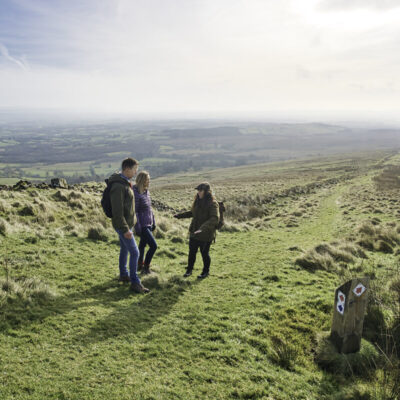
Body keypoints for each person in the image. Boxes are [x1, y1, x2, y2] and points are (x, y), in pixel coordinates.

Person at [108, 158, 150, 294]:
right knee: (135, 252)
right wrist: (126, 229)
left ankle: (124, 275)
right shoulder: (118, 186)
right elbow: (117, 211)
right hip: (123, 225)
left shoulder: (125, 183)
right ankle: (135, 282)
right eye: (134, 169)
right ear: (127, 169)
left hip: (127, 224)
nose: (136, 172)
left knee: (125, 250)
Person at [174, 182, 219, 279]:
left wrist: (202, 229)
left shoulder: (213, 203)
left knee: (204, 253)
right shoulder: (197, 201)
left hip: (206, 234)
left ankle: (205, 271)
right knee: (192, 252)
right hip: (194, 232)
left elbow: (214, 218)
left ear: (206, 192)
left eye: (200, 190)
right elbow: (192, 213)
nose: (198, 192)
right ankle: (189, 270)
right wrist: (180, 216)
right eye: (198, 190)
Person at [133, 171, 157, 274]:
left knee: (142, 245)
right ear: (142, 180)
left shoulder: (146, 192)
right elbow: (135, 212)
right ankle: (146, 268)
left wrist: (153, 221)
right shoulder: (135, 193)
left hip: (148, 223)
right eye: (147, 179)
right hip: (142, 225)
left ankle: (139, 264)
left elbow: (149, 209)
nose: (149, 181)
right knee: (153, 246)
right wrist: (138, 227)